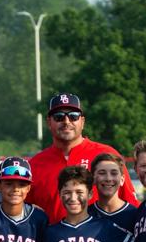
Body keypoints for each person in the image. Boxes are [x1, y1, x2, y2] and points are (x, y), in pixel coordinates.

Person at [27, 93, 138, 223]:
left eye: (73, 116)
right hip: (53, 241)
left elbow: (130, 205)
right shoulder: (35, 164)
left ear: (82, 122)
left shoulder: (107, 155)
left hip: (103, 240)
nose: (66, 122)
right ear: (49, 122)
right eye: (59, 117)